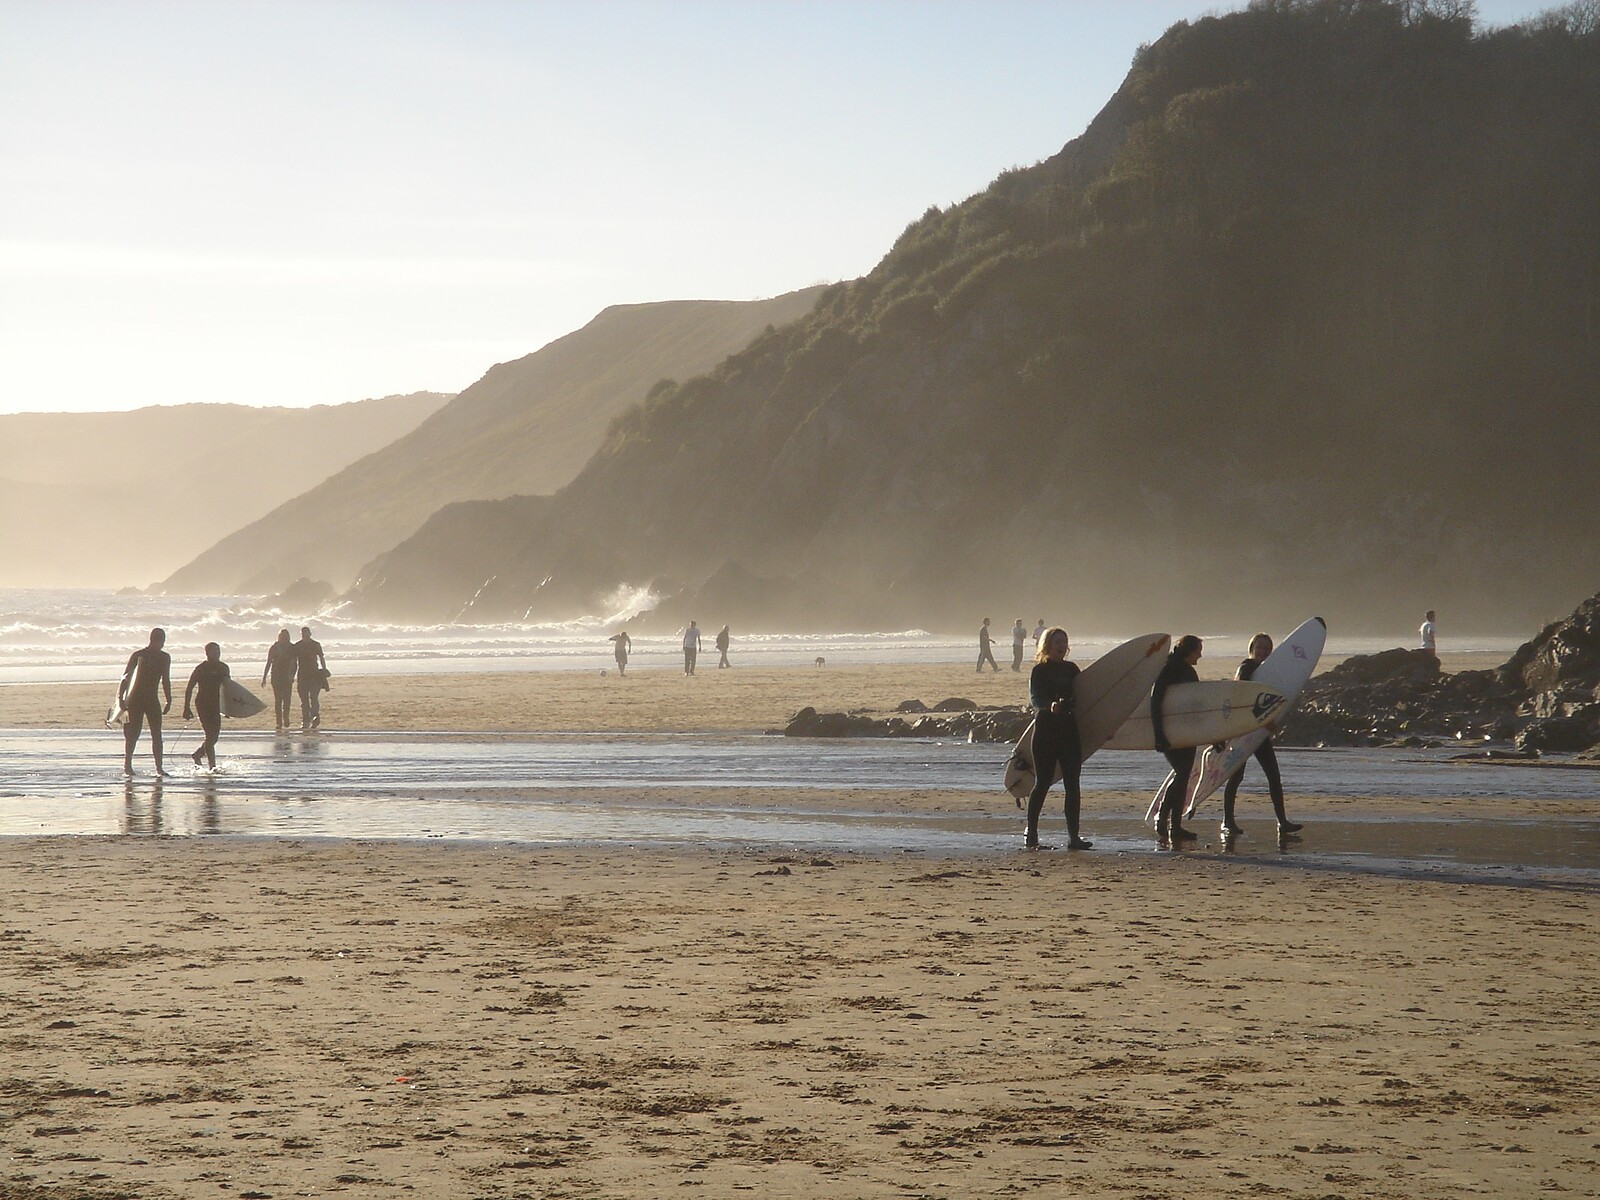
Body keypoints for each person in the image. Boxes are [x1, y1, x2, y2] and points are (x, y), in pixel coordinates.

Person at [1220, 633, 1303, 838]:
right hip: (1243, 730)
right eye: (1260, 647)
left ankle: (1282, 822)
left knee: (1274, 776)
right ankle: (1227, 821)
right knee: (1237, 776)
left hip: (1259, 732)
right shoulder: (1246, 668)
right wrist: (1265, 721)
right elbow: (1243, 698)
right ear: (1252, 648)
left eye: (1267, 648)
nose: (1263, 651)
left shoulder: (1268, 672)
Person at [1023, 627, 1091, 850]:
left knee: (1073, 785)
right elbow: (1035, 699)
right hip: (1046, 732)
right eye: (1057, 642)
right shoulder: (1039, 671)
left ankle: (1074, 837)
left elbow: (1086, 698)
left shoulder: (1072, 669)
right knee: (1042, 783)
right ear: (1047, 646)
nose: (1062, 646)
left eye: (1064, 641)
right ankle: (1031, 833)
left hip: (1069, 731)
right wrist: (1050, 705)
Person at [1149, 634, 1203, 846]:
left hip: (1188, 731)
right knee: (1182, 773)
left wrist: (1212, 735)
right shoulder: (1169, 668)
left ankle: (1175, 825)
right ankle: (1164, 818)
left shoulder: (1188, 670)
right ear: (1189, 650)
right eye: (1198, 649)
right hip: (1171, 731)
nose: (1201, 654)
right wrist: (1159, 733)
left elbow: (1199, 706)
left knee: (1184, 775)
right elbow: (1156, 701)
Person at [118, 628, 173, 777]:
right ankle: (128, 765)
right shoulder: (139, 655)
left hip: (151, 699)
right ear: (155, 640)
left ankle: (159, 768)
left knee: (157, 733)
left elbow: (165, 680)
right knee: (134, 733)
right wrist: (120, 698)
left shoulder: (164, 657)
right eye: (160, 641)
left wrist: (169, 699)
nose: (161, 644)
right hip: (136, 699)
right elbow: (126, 677)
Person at [183, 642, 231, 770]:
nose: (217, 653)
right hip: (203, 703)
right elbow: (189, 688)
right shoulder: (201, 668)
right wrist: (186, 708)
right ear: (207, 653)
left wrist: (228, 708)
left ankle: (198, 754)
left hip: (216, 704)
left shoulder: (224, 668)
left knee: (214, 736)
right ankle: (212, 766)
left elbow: (228, 689)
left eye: (218, 651)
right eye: (214, 651)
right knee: (210, 735)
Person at [262, 628, 297, 730]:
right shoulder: (274, 648)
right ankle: (279, 722)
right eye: (282, 637)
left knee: (287, 699)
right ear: (279, 637)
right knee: (278, 700)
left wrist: (292, 675)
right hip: (276, 676)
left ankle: (286, 718)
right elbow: (269, 662)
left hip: (287, 677)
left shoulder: (291, 647)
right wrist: (264, 677)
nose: (284, 639)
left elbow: (295, 663)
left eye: (286, 637)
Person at [295, 626, 327, 730]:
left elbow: (321, 658)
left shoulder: (315, 645)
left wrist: (324, 670)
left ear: (310, 634)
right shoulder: (298, 646)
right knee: (304, 700)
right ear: (301, 634)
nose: (304, 635)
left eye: (306, 633)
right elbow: (293, 662)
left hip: (314, 675)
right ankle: (305, 720)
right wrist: (290, 674)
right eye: (303, 633)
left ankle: (315, 717)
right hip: (302, 675)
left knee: (313, 698)